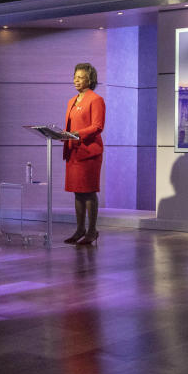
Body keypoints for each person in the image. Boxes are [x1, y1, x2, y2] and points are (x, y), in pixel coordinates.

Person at [63, 62, 106, 245]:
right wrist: (64, 135)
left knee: (88, 192)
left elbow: (97, 126)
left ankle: (92, 231)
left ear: (90, 79)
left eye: (80, 77)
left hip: (89, 152)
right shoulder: (71, 101)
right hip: (73, 152)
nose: (76, 80)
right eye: (75, 76)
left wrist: (76, 135)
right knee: (77, 192)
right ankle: (80, 229)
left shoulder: (96, 99)